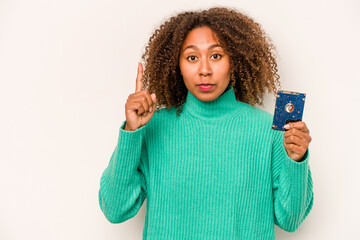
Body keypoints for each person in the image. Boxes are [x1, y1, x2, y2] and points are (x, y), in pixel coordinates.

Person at [98, 7, 314, 239]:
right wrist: (131, 132)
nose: (204, 70)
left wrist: (296, 161)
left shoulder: (268, 131)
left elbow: (290, 221)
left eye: (216, 56)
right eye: (192, 57)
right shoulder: (152, 127)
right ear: (177, 65)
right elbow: (115, 209)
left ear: (235, 60)